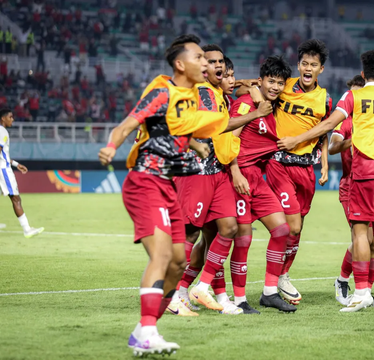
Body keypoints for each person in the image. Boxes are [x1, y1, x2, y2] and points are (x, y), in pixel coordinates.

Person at [98, 34, 229, 357]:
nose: (206, 63)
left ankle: (144, 330)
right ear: (180, 64)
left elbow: (185, 132)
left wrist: (196, 145)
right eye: (199, 58)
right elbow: (126, 125)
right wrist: (111, 147)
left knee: (179, 262)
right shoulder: (161, 92)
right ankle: (148, 331)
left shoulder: (195, 98)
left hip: (168, 185)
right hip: (145, 182)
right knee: (161, 257)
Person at [277, 50, 374, 312]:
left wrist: (296, 140)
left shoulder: (354, 96)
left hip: (365, 171)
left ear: (362, 73)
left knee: (362, 234)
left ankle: (361, 293)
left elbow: (327, 126)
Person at [171, 49, 272, 316]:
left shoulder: (219, 94)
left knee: (227, 228)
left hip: (218, 172)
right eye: (213, 63)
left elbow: (237, 88)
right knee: (192, 233)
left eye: (222, 65)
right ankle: (172, 293)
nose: (219, 68)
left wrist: (245, 84)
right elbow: (216, 127)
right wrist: (255, 114)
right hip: (197, 171)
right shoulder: (203, 92)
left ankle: (202, 287)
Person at [262, 39, 331, 305]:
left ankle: (282, 276)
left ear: (321, 69)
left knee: (297, 228)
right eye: (304, 63)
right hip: (279, 163)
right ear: (298, 65)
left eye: (313, 65)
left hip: (306, 169)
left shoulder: (325, 99)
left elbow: (325, 133)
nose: (308, 68)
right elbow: (261, 83)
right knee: (292, 224)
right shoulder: (284, 85)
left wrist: (324, 165)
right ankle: (273, 282)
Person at [229, 55, 297, 313]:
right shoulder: (246, 105)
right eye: (271, 81)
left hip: (258, 178)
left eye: (280, 83)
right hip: (240, 178)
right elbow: (228, 138)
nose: (276, 87)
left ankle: (269, 293)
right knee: (242, 240)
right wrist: (235, 171)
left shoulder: (273, 107)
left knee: (282, 230)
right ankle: (238, 300)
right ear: (262, 80)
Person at [329, 75, 374, 307]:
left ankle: (367, 293)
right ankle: (342, 280)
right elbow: (332, 147)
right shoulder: (346, 123)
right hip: (351, 187)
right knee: (364, 237)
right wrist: (353, 142)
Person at [0, 108, 44, 238]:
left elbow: (3, 155)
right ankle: (27, 229)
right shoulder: (2, 131)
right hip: (3, 170)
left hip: (4, 166)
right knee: (16, 198)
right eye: (10, 117)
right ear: (3, 118)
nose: (12, 119)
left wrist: (16, 164)